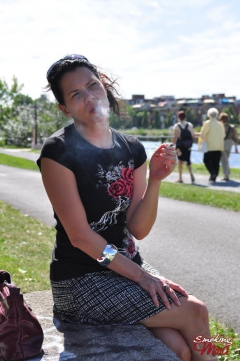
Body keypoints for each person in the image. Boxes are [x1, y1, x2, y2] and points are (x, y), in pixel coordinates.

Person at [37, 54, 218, 361]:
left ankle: (215, 354)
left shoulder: (132, 148)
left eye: (93, 85)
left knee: (183, 351)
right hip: (81, 280)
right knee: (196, 312)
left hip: (126, 268)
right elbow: (80, 237)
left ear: (104, 88)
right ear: (64, 108)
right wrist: (142, 277)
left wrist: (156, 180)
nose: (89, 97)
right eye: (75, 94)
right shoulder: (58, 152)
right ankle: (218, 356)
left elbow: (138, 229)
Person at [199, 108, 225, 182]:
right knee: (216, 162)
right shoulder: (220, 124)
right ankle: (214, 177)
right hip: (219, 146)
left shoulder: (207, 123)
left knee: (206, 160)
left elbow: (203, 134)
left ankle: (212, 173)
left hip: (210, 146)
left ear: (209, 115)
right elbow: (223, 135)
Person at [173, 110, 195, 184]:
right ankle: (191, 173)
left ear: (178, 117)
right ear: (185, 117)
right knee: (187, 160)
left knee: (180, 161)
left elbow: (175, 137)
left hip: (180, 146)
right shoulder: (190, 125)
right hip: (188, 145)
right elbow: (192, 135)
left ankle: (180, 178)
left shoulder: (177, 125)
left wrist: (172, 145)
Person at [219, 112, 239, 181]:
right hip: (230, 143)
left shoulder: (220, 126)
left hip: (223, 143)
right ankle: (227, 172)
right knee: (226, 159)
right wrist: (236, 146)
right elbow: (235, 137)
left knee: (224, 160)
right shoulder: (232, 127)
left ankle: (226, 175)